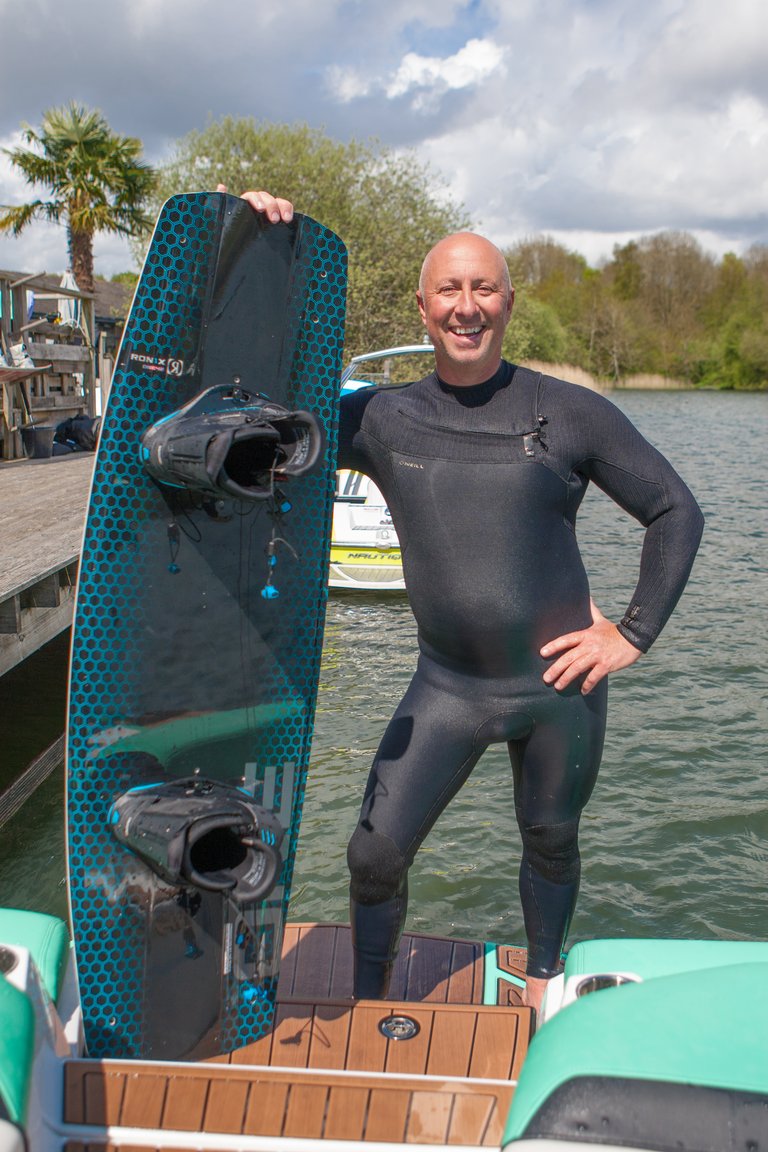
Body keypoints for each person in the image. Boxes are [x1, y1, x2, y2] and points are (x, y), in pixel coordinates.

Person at [238, 190, 704, 1013]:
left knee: (551, 841)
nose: (466, 307)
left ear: (509, 304)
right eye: (449, 290)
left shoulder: (569, 411)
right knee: (374, 856)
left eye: (484, 288)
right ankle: (371, 1000)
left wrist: (630, 635)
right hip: (447, 688)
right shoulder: (377, 417)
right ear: (423, 306)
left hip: (560, 690)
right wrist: (252, 244)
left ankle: (544, 985)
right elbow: (264, 413)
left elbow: (675, 511)